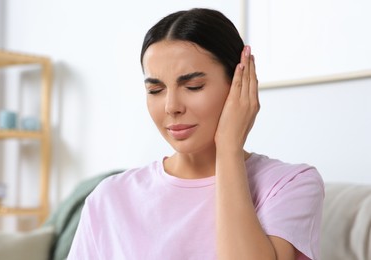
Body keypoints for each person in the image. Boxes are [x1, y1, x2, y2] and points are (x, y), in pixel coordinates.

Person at [68, 8, 324, 260]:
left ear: (239, 82)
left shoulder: (290, 184)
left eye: (193, 86)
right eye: (156, 90)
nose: (171, 106)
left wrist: (228, 149)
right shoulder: (110, 197)